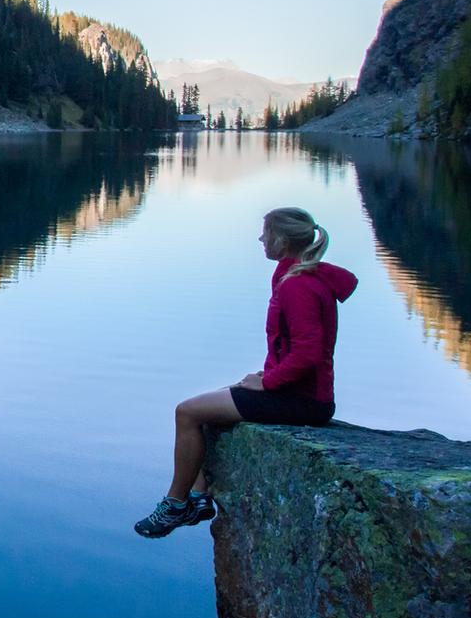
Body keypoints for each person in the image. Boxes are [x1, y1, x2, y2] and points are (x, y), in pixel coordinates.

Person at [134, 207, 359, 538]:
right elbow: (297, 349)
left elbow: (308, 354)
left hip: (302, 401)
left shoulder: (298, 285)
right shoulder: (299, 278)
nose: (260, 239)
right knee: (209, 406)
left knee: (187, 412)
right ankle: (198, 496)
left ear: (281, 241)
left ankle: (175, 504)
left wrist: (268, 382)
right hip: (301, 394)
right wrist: (266, 376)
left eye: (266, 233)